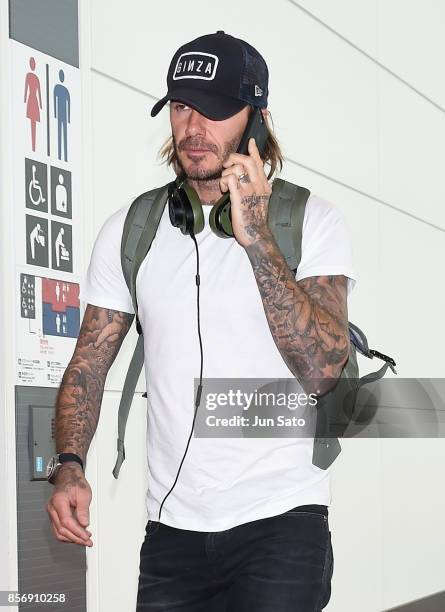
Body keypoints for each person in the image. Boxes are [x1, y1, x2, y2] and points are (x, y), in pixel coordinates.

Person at [46, 31, 357, 611]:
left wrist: (258, 237)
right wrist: (68, 467)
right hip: (171, 534)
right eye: (183, 106)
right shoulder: (130, 229)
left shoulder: (311, 221)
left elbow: (322, 368)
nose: (194, 128)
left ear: (257, 120)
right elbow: (88, 363)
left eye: (216, 110)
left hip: (281, 522)